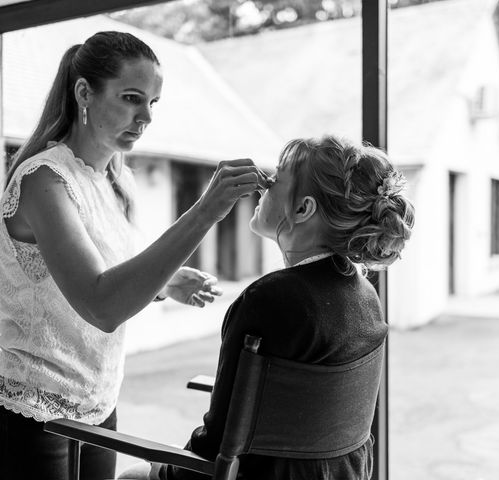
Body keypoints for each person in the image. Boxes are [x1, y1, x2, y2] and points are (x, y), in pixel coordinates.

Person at [0, 31, 268, 480]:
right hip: (34, 411)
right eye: (131, 98)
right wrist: (203, 213)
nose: (145, 117)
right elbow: (101, 305)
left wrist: (164, 283)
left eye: (153, 103)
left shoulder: (113, 182)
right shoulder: (43, 179)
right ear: (84, 92)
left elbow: (100, 273)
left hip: (99, 402)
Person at [122, 134, 415, 480]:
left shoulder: (268, 301)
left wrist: (161, 470)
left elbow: (214, 450)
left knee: (132, 475)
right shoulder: (366, 297)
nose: (263, 187)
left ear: (303, 209)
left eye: (275, 179)